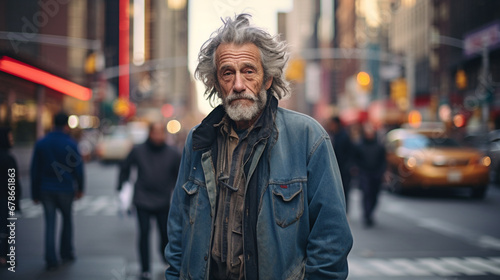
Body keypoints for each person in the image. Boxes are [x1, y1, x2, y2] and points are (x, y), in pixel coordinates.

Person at [165, 14, 352, 280]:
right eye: (228, 73)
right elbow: (177, 232)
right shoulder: (198, 141)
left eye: (249, 71)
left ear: (267, 79)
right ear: (217, 84)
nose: (238, 84)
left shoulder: (308, 138)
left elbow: (331, 240)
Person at [118, 122, 181, 280]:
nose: (158, 136)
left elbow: (180, 175)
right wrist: (121, 187)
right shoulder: (138, 150)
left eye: (161, 133)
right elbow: (124, 167)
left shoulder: (173, 153)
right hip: (142, 199)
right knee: (144, 234)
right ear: (149, 134)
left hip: (164, 200)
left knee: (165, 235)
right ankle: (145, 268)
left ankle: (166, 262)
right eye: (155, 133)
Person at [30, 112, 84, 270]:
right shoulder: (71, 143)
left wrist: (34, 193)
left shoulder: (41, 143)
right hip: (66, 189)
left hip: (46, 188)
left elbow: (35, 170)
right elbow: (78, 169)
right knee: (67, 221)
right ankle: (66, 252)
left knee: (50, 223)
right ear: (67, 125)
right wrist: (80, 188)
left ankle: (50, 258)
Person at [353, 123, 387, 228]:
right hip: (364, 173)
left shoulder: (379, 147)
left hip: (376, 173)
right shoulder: (359, 146)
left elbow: (383, 161)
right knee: (366, 194)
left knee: (374, 194)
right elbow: (355, 159)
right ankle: (367, 214)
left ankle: (370, 212)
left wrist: (383, 172)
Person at [0, 127, 21, 267]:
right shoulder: (8, 158)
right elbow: (13, 182)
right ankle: (5, 256)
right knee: (6, 230)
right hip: (4, 199)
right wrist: (15, 201)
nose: (12, 140)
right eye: (10, 137)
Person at [326, 116, 354, 213]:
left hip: (343, 169)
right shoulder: (330, 135)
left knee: (344, 190)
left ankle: (343, 210)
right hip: (333, 167)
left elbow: (350, 153)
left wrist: (349, 167)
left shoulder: (344, 136)